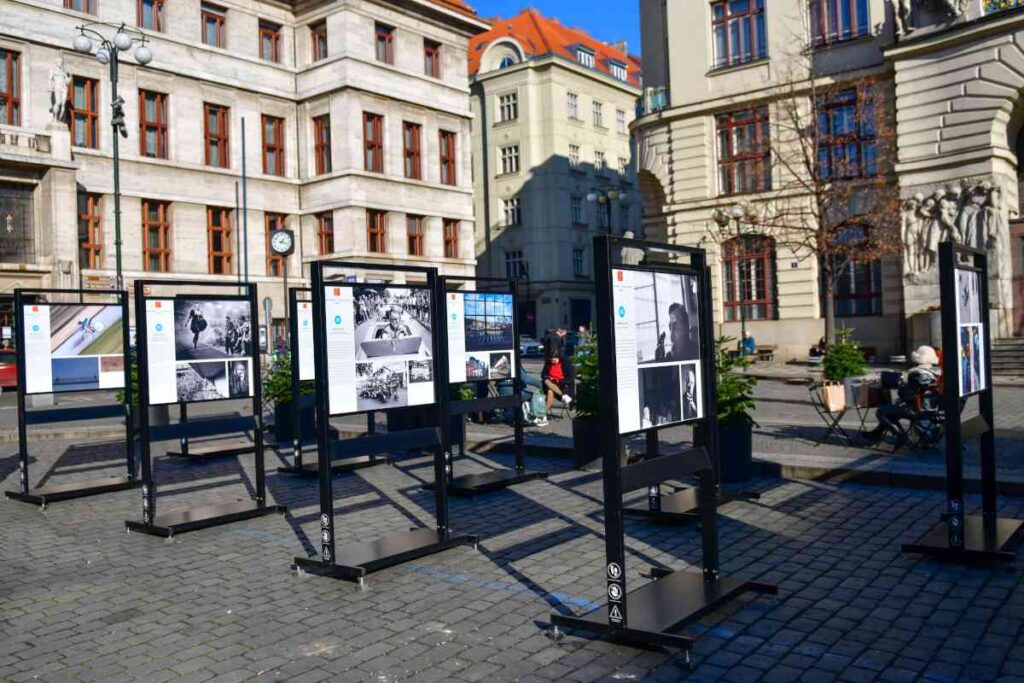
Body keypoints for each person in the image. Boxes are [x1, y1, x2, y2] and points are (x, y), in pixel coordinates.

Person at [861, 346, 941, 447]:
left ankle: (900, 436)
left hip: (917, 410)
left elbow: (907, 395)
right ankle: (876, 434)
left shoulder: (917, 373)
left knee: (882, 411)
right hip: (931, 410)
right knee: (891, 410)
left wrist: (901, 386)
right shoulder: (935, 373)